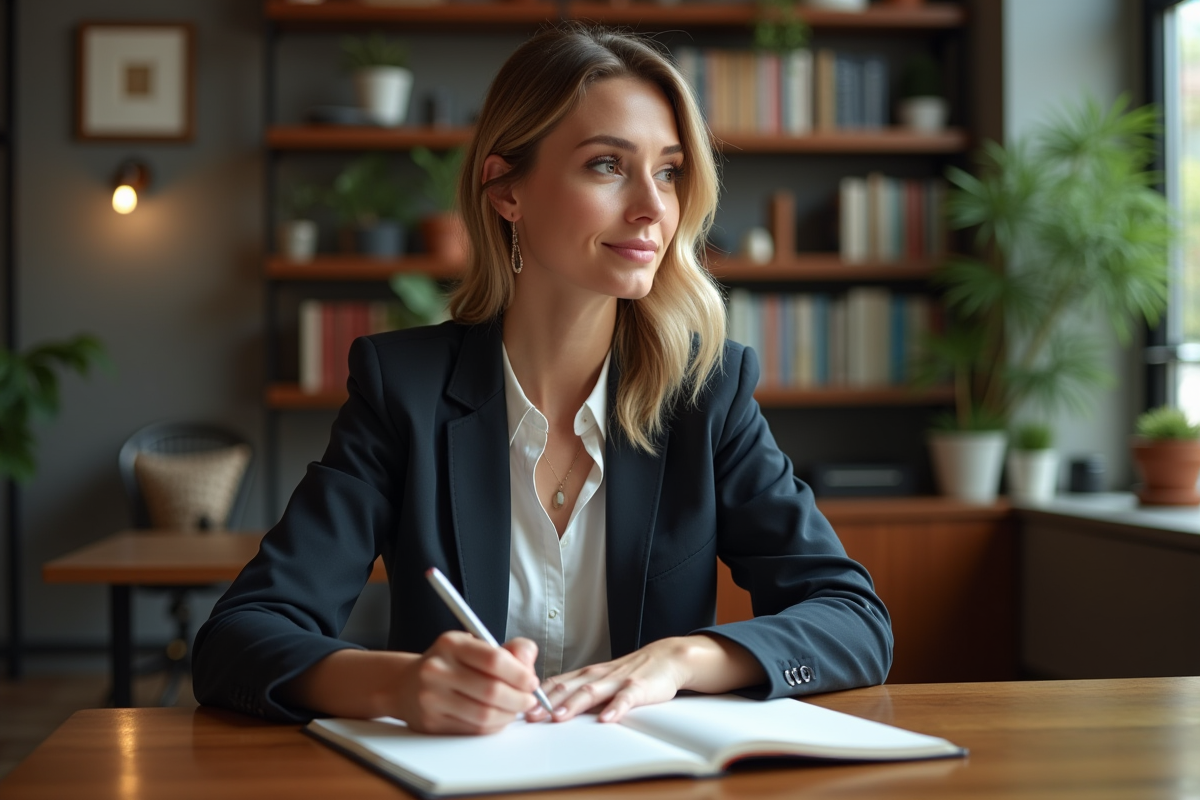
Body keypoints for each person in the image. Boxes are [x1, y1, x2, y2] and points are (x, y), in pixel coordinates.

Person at [192, 23, 891, 734]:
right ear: (505, 191)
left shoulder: (705, 393)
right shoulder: (402, 389)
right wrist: (400, 685)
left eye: (670, 171)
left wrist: (680, 660)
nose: (653, 207)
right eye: (607, 166)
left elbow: (853, 620)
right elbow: (237, 640)